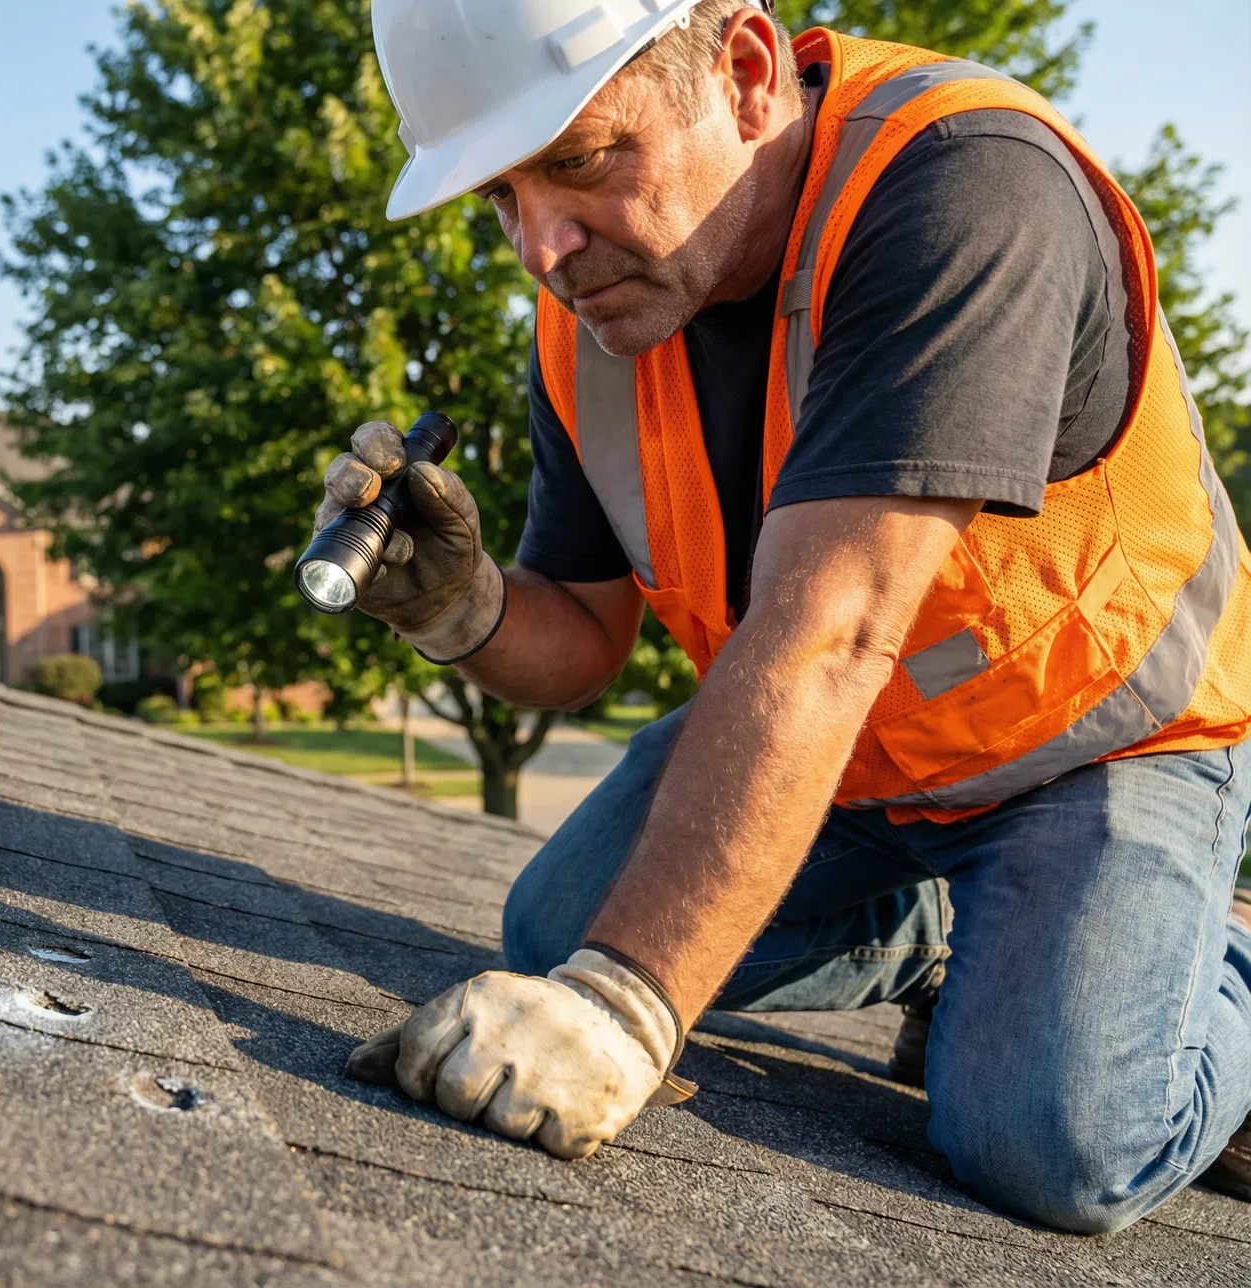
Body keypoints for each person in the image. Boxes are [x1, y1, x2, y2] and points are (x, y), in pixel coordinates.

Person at [321, 0, 1251, 1235]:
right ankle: (952, 946)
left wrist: (627, 1002)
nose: (543, 246)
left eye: (580, 160)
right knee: (553, 922)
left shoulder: (965, 188)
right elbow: (584, 645)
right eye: (499, 197)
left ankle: (1219, 958)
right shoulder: (600, 315)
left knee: (1054, 1144)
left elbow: (838, 629)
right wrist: (461, 608)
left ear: (748, 73)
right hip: (858, 764)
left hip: (1098, 746)